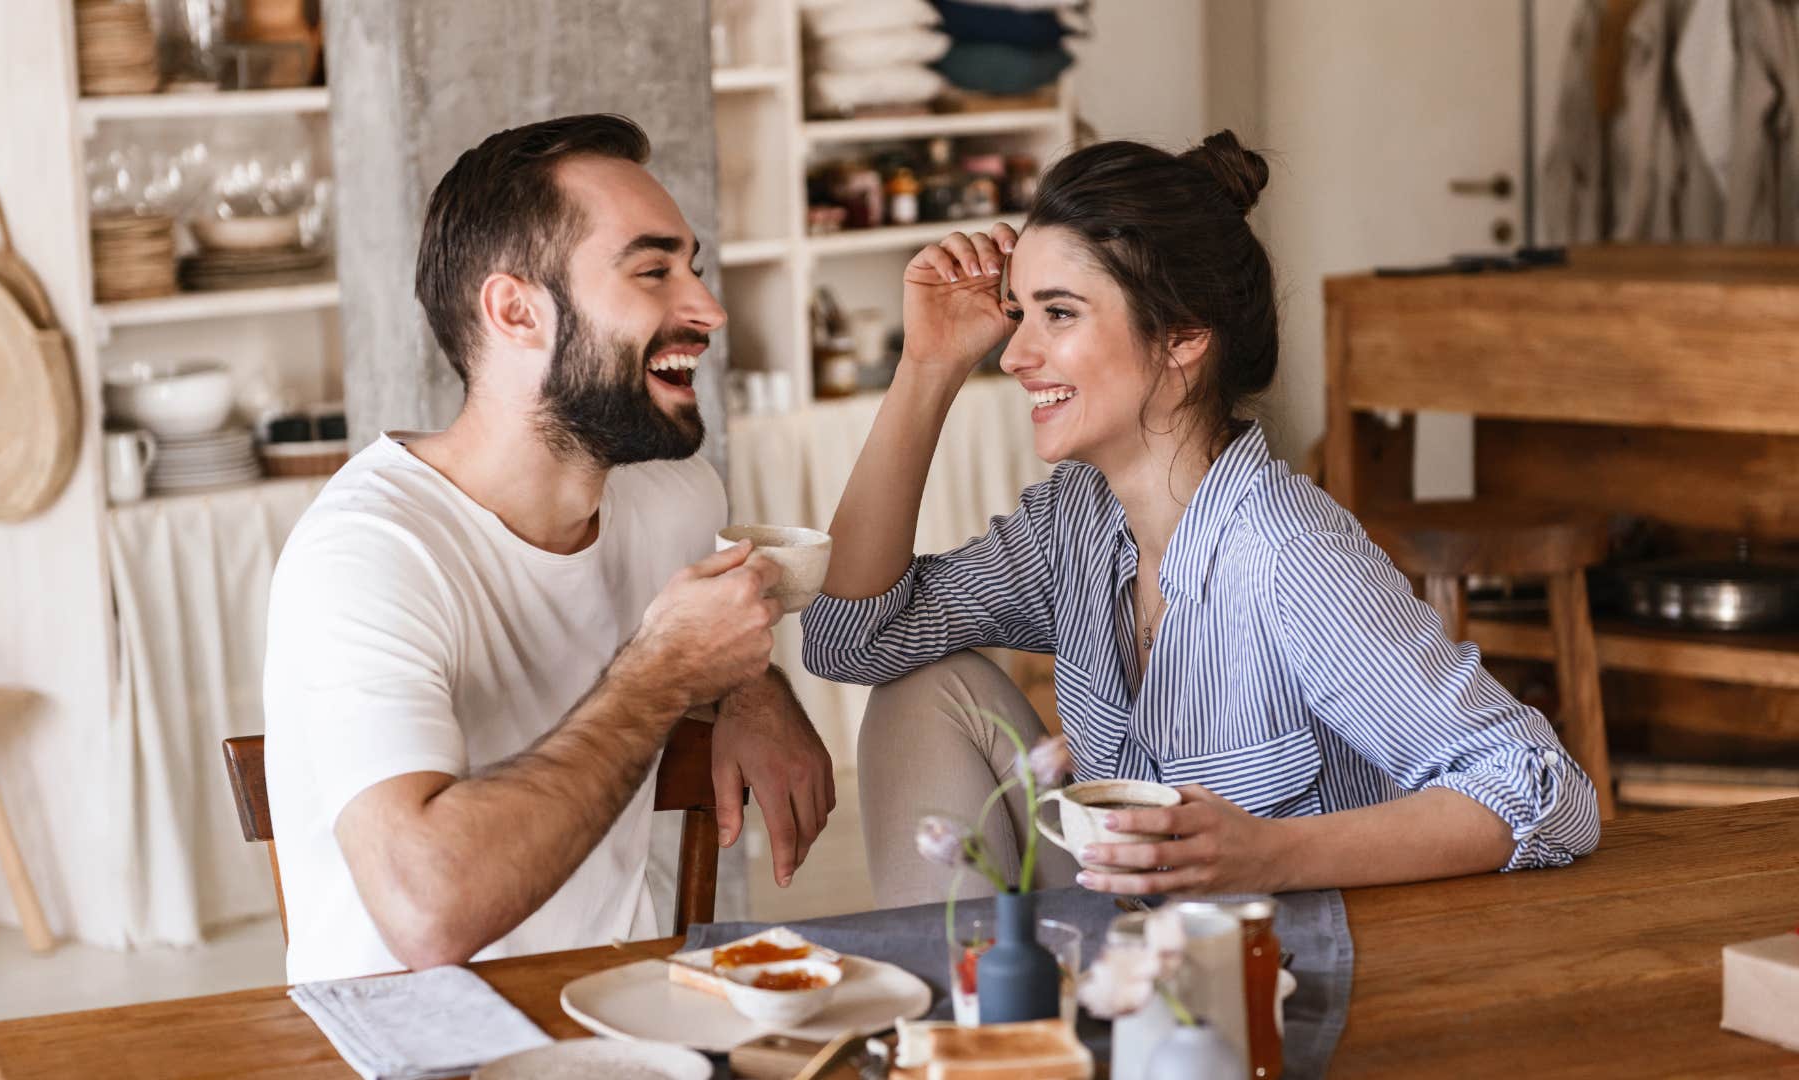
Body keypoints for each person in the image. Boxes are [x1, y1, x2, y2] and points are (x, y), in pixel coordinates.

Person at [801, 132, 1600, 908]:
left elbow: (1546, 792)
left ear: (1181, 338)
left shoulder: (1290, 558)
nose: (1014, 354)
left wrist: (1270, 855)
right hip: (1140, 955)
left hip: (1296, 975)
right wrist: (927, 365)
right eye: (1019, 312)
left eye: (1060, 314)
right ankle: (976, 1040)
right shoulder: (1074, 525)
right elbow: (849, 640)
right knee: (922, 689)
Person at [264, 114, 834, 984]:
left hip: (616, 1017)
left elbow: (706, 648)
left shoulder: (678, 498)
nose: (708, 310)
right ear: (516, 311)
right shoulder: (368, 553)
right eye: (653, 272)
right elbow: (427, 910)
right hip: (411, 1048)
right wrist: (665, 674)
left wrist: (754, 691)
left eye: (694, 269)